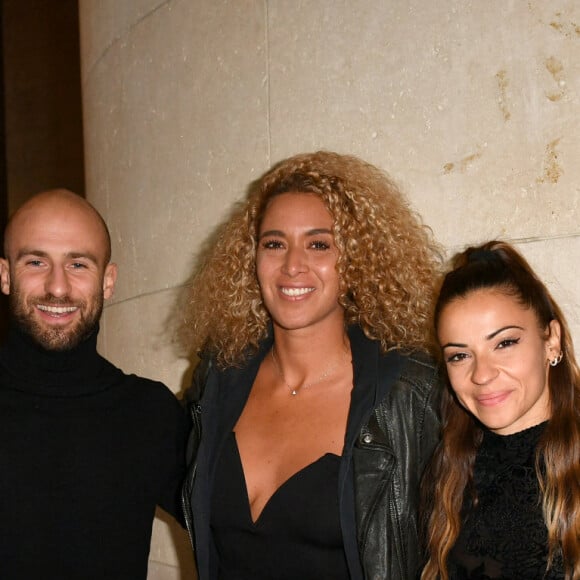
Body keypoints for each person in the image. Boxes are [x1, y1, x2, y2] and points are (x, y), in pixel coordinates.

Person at [181, 150, 443, 580]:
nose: (292, 265)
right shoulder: (217, 382)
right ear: (252, 258)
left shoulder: (408, 393)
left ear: (357, 260)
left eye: (319, 244)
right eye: (274, 243)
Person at [0, 189, 188, 579]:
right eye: (36, 262)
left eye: (78, 265)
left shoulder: (148, 412)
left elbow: (243, 532)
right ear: (5, 275)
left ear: (108, 280)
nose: (57, 287)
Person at [421, 240, 580, 580]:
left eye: (504, 343)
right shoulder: (448, 475)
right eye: (459, 355)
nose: (481, 374)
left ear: (551, 339)